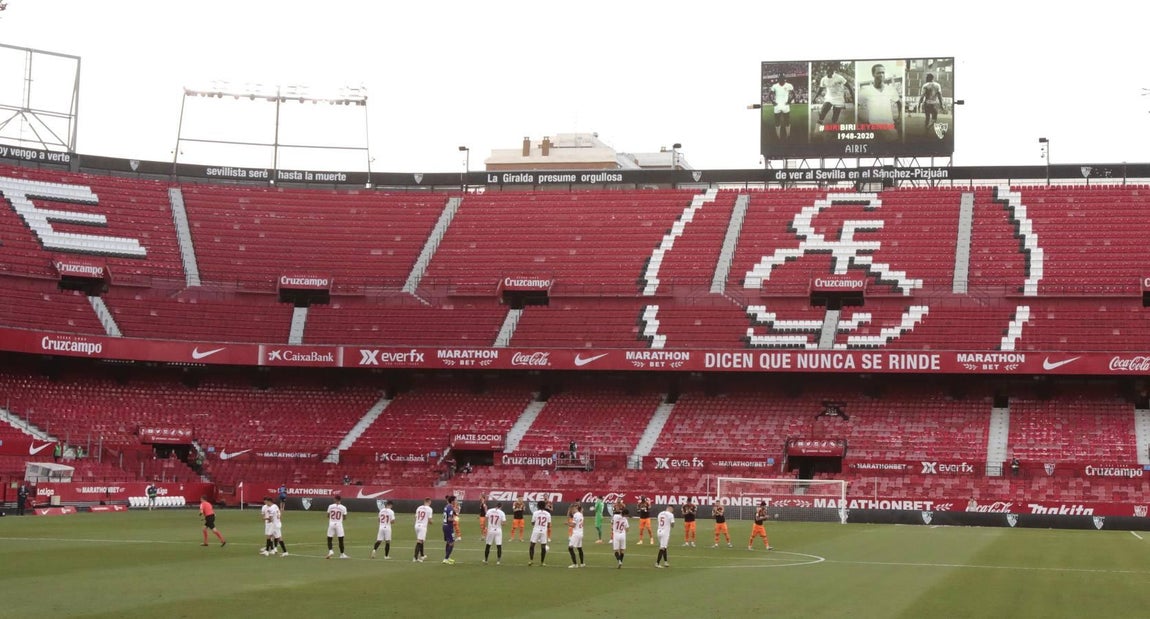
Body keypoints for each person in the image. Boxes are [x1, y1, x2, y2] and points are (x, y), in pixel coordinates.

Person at [857, 63, 902, 141]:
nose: (881, 75)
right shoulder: (866, 90)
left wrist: (899, 118)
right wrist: (862, 122)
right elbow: (857, 106)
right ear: (873, 74)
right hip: (874, 129)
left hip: (889, 128)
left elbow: (899, 103)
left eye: (883, 72)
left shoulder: (890, 89)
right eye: (878, 73)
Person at [770, 74, 795, 141]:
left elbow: (794, 95)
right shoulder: (775, 86)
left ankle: (788, 135)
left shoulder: (789, 85)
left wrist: (789, 101)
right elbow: (770, 95)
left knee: (787, 121)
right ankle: (778, 136)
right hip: (777, 105)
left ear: (784, 79)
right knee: (777, 121)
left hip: (785, 105)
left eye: (782, 78)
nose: (781, 79)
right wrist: (773, 102)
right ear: (778, 79)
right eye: (780, 78)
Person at [527, 500, 551, 566]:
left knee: (532, 545)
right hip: (543, 531)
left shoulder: (535, 513)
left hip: (536, 530)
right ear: (544, 506)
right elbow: (549, 525)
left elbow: (532, 523)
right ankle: (542, 562)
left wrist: (536, 524)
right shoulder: (548, 514)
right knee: (543, 546)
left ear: (538, 506)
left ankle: (531, 560)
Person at [326, 494, 349, 559]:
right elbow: (344, 517)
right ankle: (342, 554)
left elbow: (328, 515)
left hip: (331, 523)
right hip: (339, 524)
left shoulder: (330, 506)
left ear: (335, 499)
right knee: (341, 539)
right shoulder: (343, 507)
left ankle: (330, 551)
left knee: (329, 538)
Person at [414, 497, 433, 562]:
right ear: (429, 502)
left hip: (416, 525)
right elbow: (430, 520)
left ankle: (422, 555)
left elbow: (416, 516)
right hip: (423, 526)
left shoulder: (419, 507)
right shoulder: (429, 509)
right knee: (419, 541)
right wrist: (431, 522)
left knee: (421, 541)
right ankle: (415, 558)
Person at [567, 502, 586, 568]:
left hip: (576, 533)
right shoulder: (581, 514)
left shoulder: (576, 515)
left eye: (572, 509)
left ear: (575, 508)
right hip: (581, 533)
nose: (571, 510)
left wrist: (568, 524)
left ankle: (575, 564)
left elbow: (573, 525)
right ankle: (582, 563)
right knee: (579, 548)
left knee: (570, 548)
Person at [442, 495, 459, 564]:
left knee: (448, 542)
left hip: (444, 526)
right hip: (449, 527)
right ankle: (446, 559)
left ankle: (447, 557)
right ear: (452, 501)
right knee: (452, 543)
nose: (456, 501)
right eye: (455, 500)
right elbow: (449, 518)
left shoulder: (446, 506)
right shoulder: (450, 508)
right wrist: (455, 519)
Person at [611, 504, 629, 568]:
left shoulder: (615, 516)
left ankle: (619, 561)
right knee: (622, 550)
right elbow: (627, 529)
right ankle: (621, 562)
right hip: (623, 534)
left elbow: (612, 522)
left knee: (616, 550)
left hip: (616, 534)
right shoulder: (625, 519)